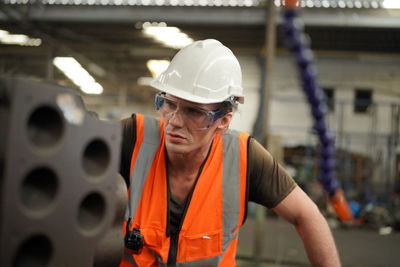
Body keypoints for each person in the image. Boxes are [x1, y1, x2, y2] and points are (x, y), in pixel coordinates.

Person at [118, 39, 341, 267]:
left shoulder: (244, 158)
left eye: (194, 112)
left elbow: (308, 216)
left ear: (223, 121)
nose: (174, 121)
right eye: (169, 104)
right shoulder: (133, 138)